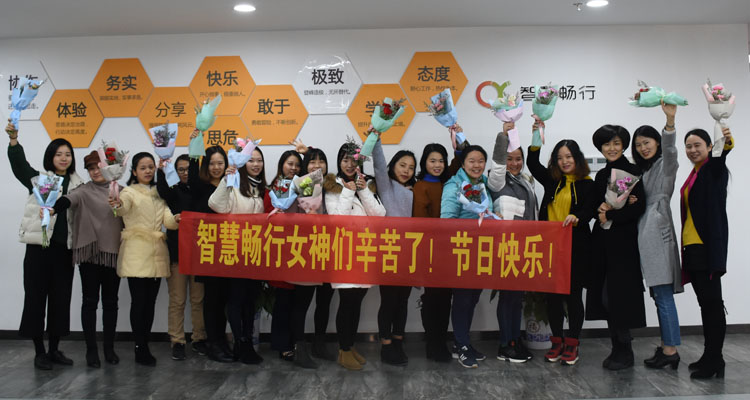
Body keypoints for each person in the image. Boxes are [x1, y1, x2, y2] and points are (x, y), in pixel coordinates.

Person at [7, 120, 84, 370]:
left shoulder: (79, 185)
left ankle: (54, 350)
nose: (64, 158)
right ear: (50, 157)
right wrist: (14, 141)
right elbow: (20, 167)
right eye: (58, 154)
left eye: (68, 154)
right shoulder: (41, 180)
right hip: (38, 250)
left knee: (60, 301)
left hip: (64, 251)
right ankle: (39, 351)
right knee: (35, 299)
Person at [527, 119, 593, 366]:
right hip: (550, 248)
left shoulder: (587, 184)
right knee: (553, 297)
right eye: (560, 158)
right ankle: (556, 342)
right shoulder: (551, 180)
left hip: (576, 248)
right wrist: (537, 135)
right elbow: (532, 163)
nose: (564, 161)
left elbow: (590, 210)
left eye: (569, 157)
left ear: (577, 158)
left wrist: (578, 217)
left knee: (574, 297)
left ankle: (572, 344)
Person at [50, 151, 124, 368]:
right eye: (90, 169)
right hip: (89, 255)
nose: (95, 172)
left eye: (98, 167)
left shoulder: (120, 190)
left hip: (113, 255)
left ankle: (109, 348)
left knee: (111, 303)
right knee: (90, 302)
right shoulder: (82, 191)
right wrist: (53, 208)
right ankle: (91, 350)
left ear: (107, 168)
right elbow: (68, 200)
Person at [110, 152, 180, 366]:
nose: (148, 171)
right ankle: (140, 346)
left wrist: (178, 218)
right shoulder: (129, 192)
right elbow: (122, 208)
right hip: (137, 254)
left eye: (151, 167)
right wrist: (116, 204)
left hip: (157, 254)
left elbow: (168, 221)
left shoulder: (160, 193)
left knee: (150, 304)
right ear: (134, 171)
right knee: (139, 302)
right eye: (143, 167)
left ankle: (145, 344)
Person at [586, 125, 646, 371]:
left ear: (623, 146)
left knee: (618, 297)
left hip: (623, 244)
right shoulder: (601, 175)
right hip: (602, 243)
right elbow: (593, 205)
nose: (611, 148)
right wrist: (600, 210)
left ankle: (625, 349)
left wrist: (610, 215)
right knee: (605, 297)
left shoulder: (633, 171)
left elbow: (638, 208)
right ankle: (616, 346)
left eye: (616, 143)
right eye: (606, 144)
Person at [324, 140, 386, 370]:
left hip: (364, 253)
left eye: (354, 160)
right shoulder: (332, 186)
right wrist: (349, 191)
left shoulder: (367, 184)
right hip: (344, 254)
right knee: (347, 302)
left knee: (357, 301)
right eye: (345, 160)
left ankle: (350, 346)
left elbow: (379, 215)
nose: (350, 164)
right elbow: (337, 219)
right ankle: (343, 350)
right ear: (339, 162)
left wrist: (362, 189)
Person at [630, 102, 683, 370]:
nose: (643, 147)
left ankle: (670, 350)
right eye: (638, 144)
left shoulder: (664, 164)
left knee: (663, 295)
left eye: (647, 142)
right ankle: (666, 345)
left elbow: (671, 150)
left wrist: (670, 123)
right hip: (645, 231)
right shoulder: (644, 170)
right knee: (658, 294)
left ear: (657, 142)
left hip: (658, 230)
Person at [680, 126, 733, 379]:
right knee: (706, 305)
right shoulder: (695, 173)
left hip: (705, 248)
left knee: (712, 305)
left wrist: (726, 140)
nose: (692, 150)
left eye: (697, 145)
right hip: (691, 247)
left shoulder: (713, 169)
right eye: (688, 146)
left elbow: (722, 155)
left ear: (710, 147)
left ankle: (715, 359)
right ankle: (710, 355)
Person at [207, 146, 267, 365]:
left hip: (254, 252)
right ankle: (240, 342)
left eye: (259, 160)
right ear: (242, 163)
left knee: (250, 299)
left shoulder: (260, 188)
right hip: (234, 251)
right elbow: (215, 205)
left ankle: (247, 341)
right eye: (251, 160)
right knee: (236, 299)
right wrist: (226, 180)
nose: (256, 164)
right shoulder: (234, 184)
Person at [487, 123, 539, 364]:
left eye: (518, 159)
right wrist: (504, 135)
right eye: (509, 159)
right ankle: (505, 344)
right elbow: (498, 164)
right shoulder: (497, 181)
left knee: (517, 298)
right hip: (505, 248)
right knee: (508, 297)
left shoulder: (526, 181)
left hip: (525, 248)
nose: (514, 163)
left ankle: (515, 339)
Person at [440, 144, 495, 369]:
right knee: (462, 299)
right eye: (471, 161)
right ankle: (461, 344)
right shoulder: (454, 186)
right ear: (462, 163)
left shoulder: (483, 184)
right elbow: (447, 220)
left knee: (472, 298)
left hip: (482, 251)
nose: (476, 165)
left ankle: (462, 342)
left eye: (481, 161)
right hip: (461, 251)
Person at [186, 130, 232, 363]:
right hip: (207, 250)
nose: (216, 167)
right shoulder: (199, 186)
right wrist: (195, 143)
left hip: (228, 249)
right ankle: (213, 343)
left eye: (220, 163)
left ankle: (222, 341)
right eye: (212, 163)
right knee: (211, 300)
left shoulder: (231, 185)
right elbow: (193, 171)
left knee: (223, 299)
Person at [156, 154, 207, 361]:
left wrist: (195, 155)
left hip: (200, 254)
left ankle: (199, 338)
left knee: (198, 300)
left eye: (188, 169)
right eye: (180, 170)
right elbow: (161, 190)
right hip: (177, 253)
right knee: (177, 300)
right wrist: (161, 170)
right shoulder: (172, 191)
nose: (185, 173)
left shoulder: (200, 190)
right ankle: (177, 341)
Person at [413, 141, 460, 362]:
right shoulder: (420, 186)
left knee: (446, 298)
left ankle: (441, 340)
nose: (437, 165)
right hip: (431, 252)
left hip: (450, 251)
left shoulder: (448, 182)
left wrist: (458, 139)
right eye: (432, 161)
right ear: (424, 162)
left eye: (441, 160)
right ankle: (432, 344)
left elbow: (460, 161)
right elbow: (421, 223)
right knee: (432, 299)